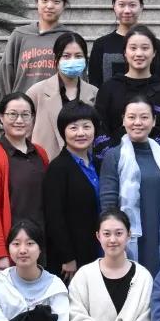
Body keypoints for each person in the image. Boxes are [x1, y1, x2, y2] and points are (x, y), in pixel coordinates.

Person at [100, 96, 160, 277]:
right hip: (128, 234)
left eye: (144, 117)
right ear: (123, 120)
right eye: (131, 117)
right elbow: (108, 202)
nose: (137, 123)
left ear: (153, 121)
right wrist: (115, 235)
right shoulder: (114, 156)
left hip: (158, 232)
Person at [0, 92, 50, 272]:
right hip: (13, 248)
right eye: (12, 114)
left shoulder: (40, 153)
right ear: (1, 117)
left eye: (25, 115)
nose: (19, 120)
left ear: (33, 118)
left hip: (41, 243)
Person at [43, 102, 102, 281]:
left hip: (99, 249)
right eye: (73, 128)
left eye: (86, 126)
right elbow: (54, 216)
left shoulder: (99, 164)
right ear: (63, 131)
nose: (81, 133)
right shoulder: (58, 168)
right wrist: (67, 257)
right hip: (72, 258)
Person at [95, 25, 160, 148]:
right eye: (133, 48)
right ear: (125, 53)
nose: (139, 53)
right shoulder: (108, 88)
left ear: (154, 53)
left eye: (145, 48)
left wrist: (148, 154)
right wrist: (114, 155)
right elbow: (101, 128)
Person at [27, 31, 98, 160]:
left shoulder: (94, 93)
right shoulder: (36, 92)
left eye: (78, 56)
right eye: (66, 56)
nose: (72, 60)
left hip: (84, 165)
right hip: (46, 164)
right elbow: (25, 133)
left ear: (85, 60)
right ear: (56, 59)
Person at [0, 0, 72, 95]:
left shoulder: (70, 38)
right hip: (23, 104)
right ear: (36, 2)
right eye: (44, 0)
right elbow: (6, 71)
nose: (49, 6)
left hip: (58, 104)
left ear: (64, 5)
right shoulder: (20, 35)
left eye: (56, 1)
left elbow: (78, 77)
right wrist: (9, 101)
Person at [90, 0, 160, 86]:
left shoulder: (155, 45)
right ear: (114, 6)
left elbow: (159, 84)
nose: (127, 10)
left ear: (141, 7)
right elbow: (95, 85)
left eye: (132, 5)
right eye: (121, 5)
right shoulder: (100, 45)